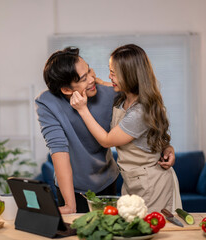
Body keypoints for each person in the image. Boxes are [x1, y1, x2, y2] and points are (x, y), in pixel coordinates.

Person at [35, 47, 176, 214]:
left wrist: (166, 146)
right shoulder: (47, 103)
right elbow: (58, 149)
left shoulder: (115, 95)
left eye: (89, 71)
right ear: (66, 90)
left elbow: (149, 113)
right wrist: (70, 204)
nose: (92, 78)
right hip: (73, 188)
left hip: (109, 181)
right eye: (83, 77)